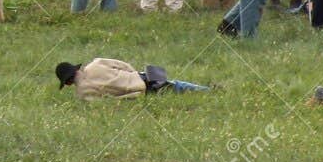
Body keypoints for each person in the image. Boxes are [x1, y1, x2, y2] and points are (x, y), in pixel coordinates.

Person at [55, 58, 211, 99]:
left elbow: (106, 101)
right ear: (77, 69)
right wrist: (133, 74)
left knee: (174, 87)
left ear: (68, 83)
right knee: (176, 84)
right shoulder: (95, 64)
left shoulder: (82, 93)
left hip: (138, 93)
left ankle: (205, 90)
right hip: (142, 79)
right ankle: (207, 90)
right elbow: (123, 65)